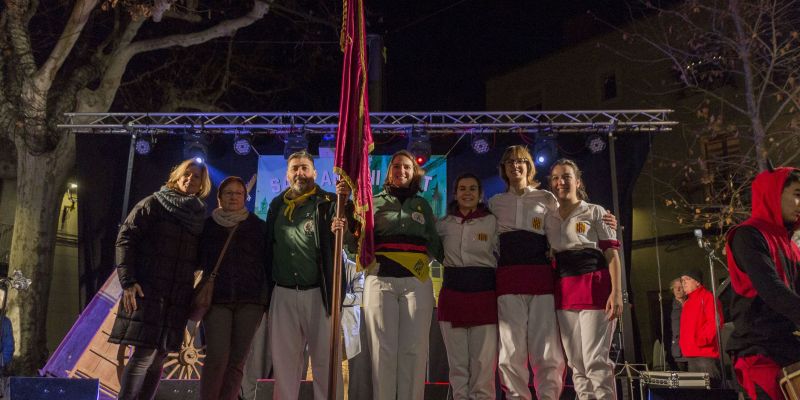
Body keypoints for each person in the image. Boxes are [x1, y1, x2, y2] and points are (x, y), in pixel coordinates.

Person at [110, 159, 210, 400]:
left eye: (196, 177)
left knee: (160, 356)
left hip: (177, 296)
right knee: (144, 354)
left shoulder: (197, 216)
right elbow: (125, 239)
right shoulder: (154, 203)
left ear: (202, 185)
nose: (190, 179)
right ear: (176, 176)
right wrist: (128, 280)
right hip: (148, 291)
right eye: (187, 174)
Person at [361, 149, 443, 400]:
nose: (402, 171)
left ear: (414, 172)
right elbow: (361, 241)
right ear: (389, 172)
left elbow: (434, 244)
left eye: (407, 167)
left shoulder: (423, 205)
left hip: (416, 283)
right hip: (380, 281)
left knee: (414, 351)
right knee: (382, 351)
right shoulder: (373, 201)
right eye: (396, 166)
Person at [488, 145, 565, 400]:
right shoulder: (495, 203)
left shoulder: (546, 198)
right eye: (509, 162)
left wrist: (603, 217)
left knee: (546, 350)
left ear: (529, 166)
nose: (515, 165)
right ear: (504, 169)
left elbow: (561, 231)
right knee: (511, 352)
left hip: (541, 280)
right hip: (508, 280)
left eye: (521, 161)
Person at [266, 150, 343, 400]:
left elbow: (350, 241)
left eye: (305, 168)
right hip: (283, 293)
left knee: (326, 365)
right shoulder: (277, 204)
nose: (300, 173)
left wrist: (342, 227)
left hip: (320, 293)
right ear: (287, 174)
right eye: (295, 168)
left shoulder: (330, 201)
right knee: (285, 367)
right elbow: (269, 246)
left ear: (315, 173)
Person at [546, 159, 621, 400]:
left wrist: (617, 293)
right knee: (576, 365)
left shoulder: (596, 211)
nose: (561, 182)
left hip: (595, 290)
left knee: (595, 362)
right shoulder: (548, 218)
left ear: (577, 181)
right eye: (556, 177)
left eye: (566, 176)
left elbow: (612, 255)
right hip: (564, 292)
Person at [725, 166, 800, 400]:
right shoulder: (747, 235)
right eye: (797, 194)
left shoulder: (791, 246)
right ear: (773, 193)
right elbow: (771, 289)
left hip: (788, 346)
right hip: (760, 350)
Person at [199, 176, 269, 400]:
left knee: (238, 360)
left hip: (250, 302)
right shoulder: (207, 227)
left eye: (238, 193)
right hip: (217, 300)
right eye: (228, 193)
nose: (233, 197)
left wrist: (264, 299)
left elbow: (267, 263)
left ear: (245, 198)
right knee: (217, 357)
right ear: (219, 198)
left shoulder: (258, 226)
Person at [436, 173, 498, 400]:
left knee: (483, 365)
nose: (467, 193)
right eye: (462, 188)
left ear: (481, 194)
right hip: (452, 297)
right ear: (455, 193)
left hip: (483, 296)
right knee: (458, 365)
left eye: (473, 188)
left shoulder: (492, 222)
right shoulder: (443, 224)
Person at [678, 269, 723, 385]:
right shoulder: (687, 303)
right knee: (697, 393)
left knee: (711, 393)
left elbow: (715, 321)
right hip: (691, 355)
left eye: (687, 279)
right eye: (682, 280)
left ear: (697, 282)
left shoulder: (707, 297)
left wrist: (702, 340)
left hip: (705, 355)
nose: (684, 283)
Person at [669, 277, 688, 371]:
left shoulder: (692, 303)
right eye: (675, 287)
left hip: (692, 351)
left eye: (680, 287)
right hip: (676, 352)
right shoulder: (668, 307)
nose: (678, 289)